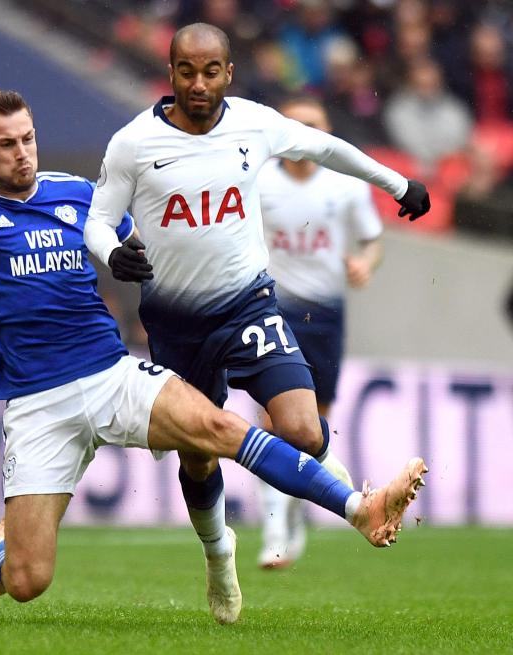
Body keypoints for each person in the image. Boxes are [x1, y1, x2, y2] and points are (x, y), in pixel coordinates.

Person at [0, 87, 427, 625]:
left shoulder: (77, 193)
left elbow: (144, 242)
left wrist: (156, 257)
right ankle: (6, 547)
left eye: (27, 137)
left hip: (111, 373)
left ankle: (357, 506)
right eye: (6, 144)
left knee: (220, 427)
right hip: (38, 403)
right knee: (26, 582)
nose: (22, 153)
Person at [84, 23, 431, 591]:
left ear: (229, 73)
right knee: (198, 460)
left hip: (248, 306)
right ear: (170, 73)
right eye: (187, 71)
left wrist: (396, 184)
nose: (199, 83)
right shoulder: (133, 143)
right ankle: (220, 556)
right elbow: (98, 221)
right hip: (175, 325)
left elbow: (324, 146)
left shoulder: (254, 122)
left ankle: (355, 504)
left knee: (302, 428)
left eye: (210, 71)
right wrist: (113, 252)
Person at [254, 96, 385, 569]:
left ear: (327, 131)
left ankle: (290, 521)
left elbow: (372, 240)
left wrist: (364, 264)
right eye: (298, 125)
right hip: (271, 310)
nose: (306, 134)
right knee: (273, 419)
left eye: (315, 124)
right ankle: (274, 529)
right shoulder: (259, 180)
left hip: (326, 313)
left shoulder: (346, 185)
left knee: (313, 428)